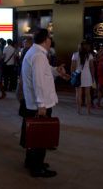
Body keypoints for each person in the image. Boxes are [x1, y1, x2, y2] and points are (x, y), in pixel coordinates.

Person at [20, 28, 68, 178]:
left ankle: (31, 162)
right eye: (50, 38)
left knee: (33, 136)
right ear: (46, 40)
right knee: (40, 137)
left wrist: (56, 71)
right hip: (39, 105)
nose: (51, 41)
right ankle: (37, 168)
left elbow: (43, 72)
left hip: (35, 103)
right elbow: (39, 81)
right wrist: (41, 105)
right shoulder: (38, 56)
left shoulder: (36, 54)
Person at [70, 41, 95, 114]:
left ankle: (79, 110)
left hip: (78, 75)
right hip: (87, 75)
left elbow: (72, 67)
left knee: (78, 94)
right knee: (88, 94)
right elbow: (92, 67)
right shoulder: (90, 55)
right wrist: (93, 76)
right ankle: (88, 110)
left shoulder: (75, 55)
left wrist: (72, 76)